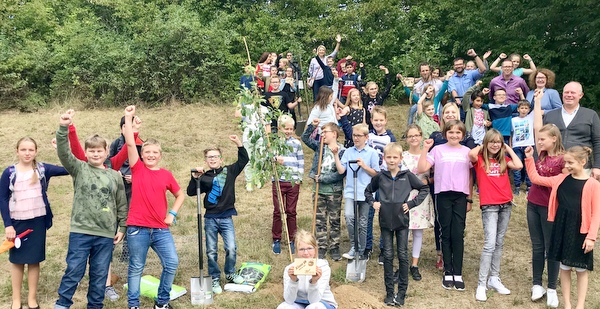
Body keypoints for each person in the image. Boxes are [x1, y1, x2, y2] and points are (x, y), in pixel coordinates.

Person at [53, 111, 128, 309]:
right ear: (86, 153)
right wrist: (63, 127)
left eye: (99, 151)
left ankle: (95, 306)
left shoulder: (114, 176)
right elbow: (63, 152)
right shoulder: (79, 168)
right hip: (80, 231)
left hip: (105, 234)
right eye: (91, 151)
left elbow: (121, 203)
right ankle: (62, 304)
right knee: (74, 271)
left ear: (106, 153)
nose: (95, 154)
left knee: (100, 274)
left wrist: (122, 227)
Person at [122, 106, 185, 309]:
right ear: (142, 155)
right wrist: (128, 117)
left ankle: (162, 302)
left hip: (160, 229)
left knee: (171, 263)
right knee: (136, 268)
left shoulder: (166, 174)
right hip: (137, 229)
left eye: (154, 152)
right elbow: (130, 143)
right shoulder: (137, 168)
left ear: (160, 155)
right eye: (147, 152)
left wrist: (172, 213)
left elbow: (180, 194)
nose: (150, 155)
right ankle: (133, 305)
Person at [525, 145, 600, 309]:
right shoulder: (560, 179)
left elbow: (596, 214)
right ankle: (567, 304)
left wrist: (591, 237)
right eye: (565, 162)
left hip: (581, 231)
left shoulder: (593, 185)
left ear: (583, 162)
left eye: (570, 163)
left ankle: (579, 305)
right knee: (564, 267)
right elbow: (536, 179)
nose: (566, 166)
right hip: (562, 228)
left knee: (581, 270)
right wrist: (530, 158)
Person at [0, 138, 68, 309]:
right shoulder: (9, 172)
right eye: (23, 149)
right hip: (16, 223)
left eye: (31, 150)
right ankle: (16, 299)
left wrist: (59, 150)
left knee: (33, 260)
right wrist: (8, 225)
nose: (27, 153)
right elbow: (2, 199)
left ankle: (32, 298)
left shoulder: (43, 169)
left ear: (36, 151)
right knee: (17, 261)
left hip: (37, 221)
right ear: (17, 151)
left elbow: (70, 169)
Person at [365, 142, 429, 306]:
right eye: (389, 157)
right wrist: (373, 203)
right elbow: (367, 191)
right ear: (384, 158)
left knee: (402, 255)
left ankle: (401, 293)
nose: (392, 160)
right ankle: (389, 293)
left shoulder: (407, 176)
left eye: (395, 157)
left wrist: (412, 204)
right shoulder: (380, 176)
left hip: (402, 222)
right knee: (387, 255)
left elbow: (424, 189)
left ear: (401, 158)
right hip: (386, 222)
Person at [187, 132, 249, 295]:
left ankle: (230, 273)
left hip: (226, 217)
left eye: (215, 156)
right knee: (211, 251)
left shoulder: (230, 171)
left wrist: (239, 144)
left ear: (221, 159)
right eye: (209, 157)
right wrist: (194, 178)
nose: (213, 159)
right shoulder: (204, 177)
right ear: (206, 160)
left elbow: (244, 160)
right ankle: (214, 278)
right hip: (210, 219)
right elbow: (191, 192)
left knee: (231, 247)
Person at [468, 129, 523, 302]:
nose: (495, 145)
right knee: (489, 244)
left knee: (499, 243)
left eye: (498, 142)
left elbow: (519, 165)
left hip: (506, 204)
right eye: (492, 141)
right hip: (490, 206)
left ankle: (494, 278)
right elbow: (471, 153)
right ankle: (481, 284)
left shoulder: (504, 160)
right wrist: (483, 145)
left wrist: (508, 148)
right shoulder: (480, 160)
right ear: (486, 143)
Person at [418, 120, 472, 291]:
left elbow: (471, 175)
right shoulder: (438, 150)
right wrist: (425, 148)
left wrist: (469, 198)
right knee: (445, 233)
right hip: (442, 195)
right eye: (451, 132)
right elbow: (421, 168)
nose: (454, 135)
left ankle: (458, 272)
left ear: (462, 135)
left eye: (458, 132)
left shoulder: (467, 152)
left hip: (460, 196)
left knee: (458, 233)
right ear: (445, 134)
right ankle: (448, 270)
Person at [302, 119, 346, 260]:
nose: (322, 135)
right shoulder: (319, 146)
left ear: (334, 133)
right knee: (319, 220)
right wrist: (313, 126)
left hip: (334, 191)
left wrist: (322, 179)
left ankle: (334, 247)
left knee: (334, 220)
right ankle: (321, 246)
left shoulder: (342, 151)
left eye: (324, 132)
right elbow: (304, 138)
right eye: (321, 132)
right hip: (319, 190)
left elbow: (340, 174)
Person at [334, 123, 380, 260]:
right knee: (349, 217)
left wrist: (364, 166)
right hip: (350, 191)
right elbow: (342, 170)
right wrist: (336, 155)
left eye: (359, 136)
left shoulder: (372, 153)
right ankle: (354, 246)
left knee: (363, 222)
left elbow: (376, 174)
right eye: (354, 135)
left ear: (366, 137)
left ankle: (362, 250)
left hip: (366, 192)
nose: (356, 138)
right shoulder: (348, 152)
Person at [541, 82, 600, 180]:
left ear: (580, 95)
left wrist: (597, 166)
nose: (569, 95)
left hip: (581, 168)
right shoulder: (550, 115)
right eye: (566, 92)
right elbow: (541, 141)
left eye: (573, 92)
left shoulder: (591, 115)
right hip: (553, 168)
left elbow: (598, 142)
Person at [401, 125, 435, 279]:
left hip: (421, 196)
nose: (414, 138)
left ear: (421, 137)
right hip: (405, 196)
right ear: (407, 138)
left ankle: (414, 264)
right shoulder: (402, 155)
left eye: (416, 135)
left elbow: (435, 175)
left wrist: (428, 180)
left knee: (418, 231)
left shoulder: (427, 155)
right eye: (410, 136)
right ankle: (402, 262)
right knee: (404, 230)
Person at [277, 230, 338, 309]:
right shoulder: (289, 269)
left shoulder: (323, 267)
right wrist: (293, 281)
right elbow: (289, 300)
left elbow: (314, 301)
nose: (306, 253)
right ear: (296, 251)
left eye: (309, 248)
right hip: (298, 302)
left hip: (322, 302)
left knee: (313, 307)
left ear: (315, 249)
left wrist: (314, 282)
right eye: (301, 249)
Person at [365, 106, 396, 259]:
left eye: (381, 120)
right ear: (371, 121)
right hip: (370, 179)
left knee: (384, 215)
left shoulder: (390, 138)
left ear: (386, 121)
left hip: (384, 180)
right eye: (375, 120)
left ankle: (385, 248)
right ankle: (368, 246)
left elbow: (394, 158)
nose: (378, 123)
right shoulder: (367, 136)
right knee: (368, 214)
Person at [271, 115, 304, 255]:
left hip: (292, 181)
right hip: (279, 180)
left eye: (291, 129)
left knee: (291, 211)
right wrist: (275, 158)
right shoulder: (275, 143)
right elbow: (268, 159)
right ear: (280, 128)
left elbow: (301, 161)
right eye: (286, 128)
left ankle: (292, 239)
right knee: (279, 210)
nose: (288, 131)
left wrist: (298, 178)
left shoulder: (296, 143)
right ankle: (276, 239)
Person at [511, 100, 535, 195]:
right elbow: (511, 133)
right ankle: (517, 186)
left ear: (529, 109)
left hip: (528, 145)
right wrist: (511, 145)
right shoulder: (513, 120)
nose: (524, 110)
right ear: (518, 109)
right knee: (517, 167)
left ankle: (529, 186)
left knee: (528, 167)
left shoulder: (531, 118)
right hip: (517, 146)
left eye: (526, 108)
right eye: (522, 108)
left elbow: (536, 105)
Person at [308, 35, 341, 100]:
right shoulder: (314, 59)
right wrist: (308, 80)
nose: (321, 51)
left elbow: (335, 52)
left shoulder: (327, 58)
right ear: (318, 51)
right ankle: (316, 108)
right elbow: (310, 71)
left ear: (325, 51)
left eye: (323, 50)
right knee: (316, 96)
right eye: (320, 50)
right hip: (316, 79)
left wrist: (338, 43)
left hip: (324, 80)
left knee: (324, 96)